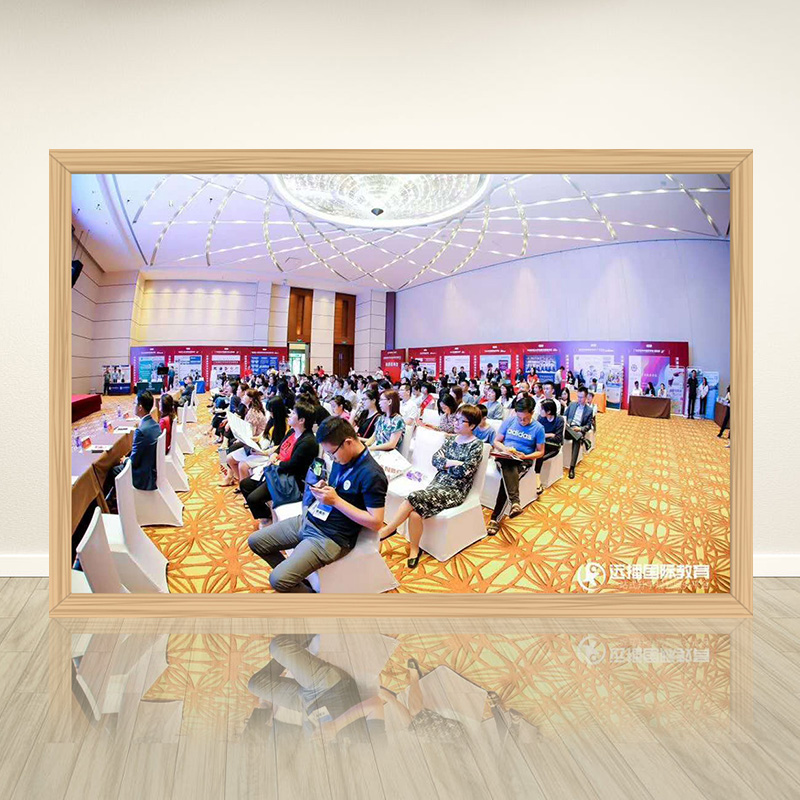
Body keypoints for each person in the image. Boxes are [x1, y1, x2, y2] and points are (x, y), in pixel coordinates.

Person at [248, 417, 388, 592]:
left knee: (278, 580)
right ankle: (296, 577)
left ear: (348, 442)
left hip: (330, 537)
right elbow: (341, 489)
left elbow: (376, 522)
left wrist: (336, 501)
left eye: (332, 453)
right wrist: (325, 488)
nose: (332, 458)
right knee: (256, 541)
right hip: (311, 519)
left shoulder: (372, 474)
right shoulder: (342, 458)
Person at [378, 405, 485, 568]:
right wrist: (452, 462)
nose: (455, 423)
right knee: (415, 513)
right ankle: (415, 550)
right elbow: (435, 460)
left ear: (472, 425)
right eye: (455, 419)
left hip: (455, 490)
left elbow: (465, 471)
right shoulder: (450, 440)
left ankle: (389, 529)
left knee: (413, 497)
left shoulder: (476, 445)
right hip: (437, 484)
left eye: (460, 421)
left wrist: (446, 465)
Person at [240, 400, 319, 525]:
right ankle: (266, 514)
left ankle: (266, 519)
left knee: (253, 499)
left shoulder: (308, 442)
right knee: (245, 485)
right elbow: (280, 447)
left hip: (288, 478)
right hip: (277, 470)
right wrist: (275, 454)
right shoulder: (292, 431)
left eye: (293, 413)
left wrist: (276, 463)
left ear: (301, 420)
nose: (290, 415)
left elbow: (292, 466)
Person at [486, 396, 545, 535]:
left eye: (525, 419)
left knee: (506, 478)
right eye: (519, 418)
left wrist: (525, 456)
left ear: (532, 413)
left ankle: (496, 518)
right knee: (508, 465)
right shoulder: (509, 421)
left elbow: (540, 452)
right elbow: (496, 441)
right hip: (504, 457)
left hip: (523, 460)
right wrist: (505, 449)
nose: (522, 421)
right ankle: (514, 503)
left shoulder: (538, 428)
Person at [105, 391, 159, 497]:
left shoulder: (140, 431)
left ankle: (113, 500)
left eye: (135, 403)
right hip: (151, 467)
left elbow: (133, 462)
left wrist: (125, 460)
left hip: (143, 476)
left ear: (140, 407)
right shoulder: (155, 424)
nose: (133, 406)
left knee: (113, 471)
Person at [221, 389, 268, 487]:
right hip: (251, 440)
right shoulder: (248, 408)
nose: (242, 397)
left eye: (245, 395)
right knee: (230, 451)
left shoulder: (253, 412)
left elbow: (251, 434)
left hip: (256, 443)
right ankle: (237, 480)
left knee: (231, 448)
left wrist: (239, 436)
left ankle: (234, 479)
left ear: (250, 399)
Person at [534, 399, 564, 495]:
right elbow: (536, 433)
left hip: (553, 447)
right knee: (537, 452)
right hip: (542, 444)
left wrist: (543, 436)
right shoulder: (541, 418)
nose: (540, 411)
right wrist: (550, 434)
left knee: (539, 455)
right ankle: (535, 479)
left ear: (549, 411)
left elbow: (558, 439)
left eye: (542, 409)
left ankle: (537, 481)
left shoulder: (559, 420)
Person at [563, 388, 593, 479]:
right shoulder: (572, 404)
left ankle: (572, 468)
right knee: (577, 436)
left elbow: (588, 425)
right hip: (568, 429)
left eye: (581, 397)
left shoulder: (589, 410)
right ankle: (582, 439)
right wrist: (566, 423)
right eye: (578, 397)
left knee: (577, 438)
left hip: (578, 429)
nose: (579, 399)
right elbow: (564, 417)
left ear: (586, 397)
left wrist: (580, 428)